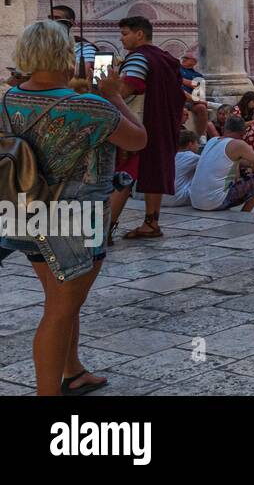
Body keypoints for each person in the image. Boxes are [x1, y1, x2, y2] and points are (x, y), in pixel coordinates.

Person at [0, 20, 146, 396]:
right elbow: (138, 139)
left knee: (61, 300)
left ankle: (73, 369)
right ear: (65, 54)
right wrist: (113, 95)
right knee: (61, 309)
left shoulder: (6, 99)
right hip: (77, 220)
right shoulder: (89, 106)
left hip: (25, 212)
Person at [108, 16, 183, 242]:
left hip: (138, 127)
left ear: (139, 34)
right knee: (154, 171)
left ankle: (103, 229)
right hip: (162, 124)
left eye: (125, 34)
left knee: (124, 176)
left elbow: (126, 90)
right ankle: (151, 223)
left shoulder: (138, 58)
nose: (121, 40)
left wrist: (106, 86)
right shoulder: (164, 58)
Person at [188, 116, 254, 212]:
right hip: (213, 203)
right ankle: (246, 211)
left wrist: (250, 164)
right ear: (243, 132)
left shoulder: (212, 141)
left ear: (224, 128)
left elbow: (230, 160)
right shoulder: (238, 144)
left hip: (196, 201)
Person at [164, 130, 201, 207]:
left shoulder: (169, 156)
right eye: (197, 143)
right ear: (190, 144)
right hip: (177, 199)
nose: (199, 146)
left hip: (162, 199)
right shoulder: (192, 157)